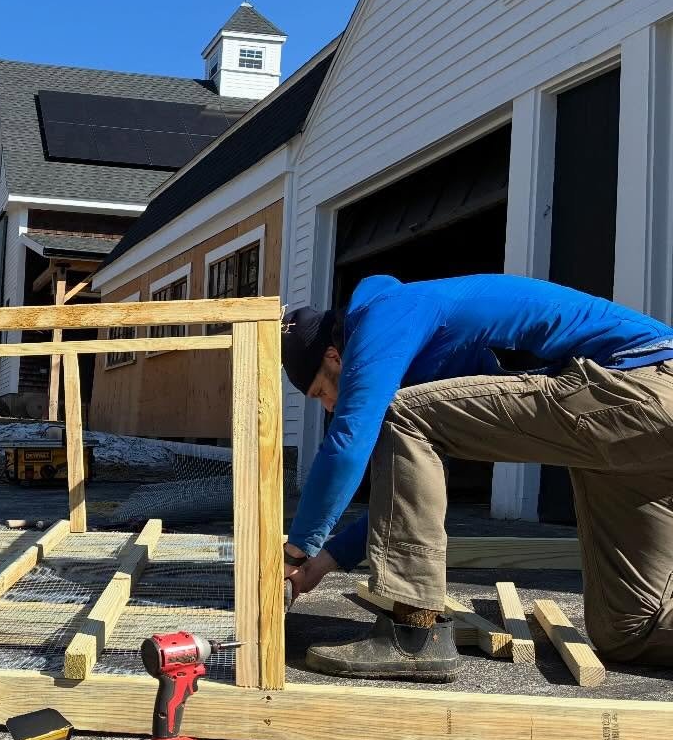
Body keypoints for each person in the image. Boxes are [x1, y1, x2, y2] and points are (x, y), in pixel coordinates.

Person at [280, 273, 673, 682]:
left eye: (320, 392)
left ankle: (412, 634)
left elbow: (347, 443)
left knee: (396, 414)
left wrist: (296, 551)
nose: (328, 407)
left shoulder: (386, 313)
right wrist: (322, 564)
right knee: (630, 631)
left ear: (333, 356)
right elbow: (410, 503)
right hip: (638, 418)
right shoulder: (433, 355)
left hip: (637, 379)